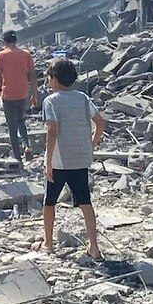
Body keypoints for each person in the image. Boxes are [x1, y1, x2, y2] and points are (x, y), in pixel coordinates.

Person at [41, 58, 102, 260]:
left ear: (55, 79)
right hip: (80, 159)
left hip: (59, 160)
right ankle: (94, 247)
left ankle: (48, 243)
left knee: (49, 202)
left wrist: (48, 160)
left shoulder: (50, 101)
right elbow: (100, 123)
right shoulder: (83, 98)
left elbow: (52, 130)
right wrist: (91, 145)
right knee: (85, 202)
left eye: (50, 77)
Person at [0, 30, 36, 164]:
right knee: (21, 121)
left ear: (4, 41)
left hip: (8, 95)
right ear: (15, 40)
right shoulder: (26, 54)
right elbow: (33, 75)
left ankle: (17, 158)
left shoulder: (0, 55)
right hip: (22, 93)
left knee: (11, 127)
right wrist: (34, 94)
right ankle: (27, 145)